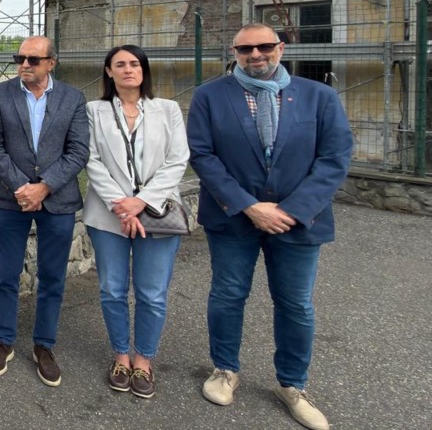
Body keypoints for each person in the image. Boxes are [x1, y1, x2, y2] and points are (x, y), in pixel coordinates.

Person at [189, 23, 352, 430]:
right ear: (235, 51)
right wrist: (248, 206)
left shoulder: (319, 96)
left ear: (280, 47)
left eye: (264, 46)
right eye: (246, 49)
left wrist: (291, 209)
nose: (255, 54)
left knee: (296, 304)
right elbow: (203, 155)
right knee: (228, 294)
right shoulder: (210, 95)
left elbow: (334, 158)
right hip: (234, 217)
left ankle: (292, 385)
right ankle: (225, 369)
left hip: (298, 222)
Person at [0, 35, 90, 386]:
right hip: (11, 200)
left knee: (52, 277)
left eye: (33, 59)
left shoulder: (73, 98)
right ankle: (4, 340)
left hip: (57, 202)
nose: (24, 64)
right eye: (20, 58)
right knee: (6, 275)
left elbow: (78, 151)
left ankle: (44, 346)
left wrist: (45, 187)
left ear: (51, 63)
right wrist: (23, 188)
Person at [83, 45, 189, 399]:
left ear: (144, 70)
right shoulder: (94, 111)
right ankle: (121, 356)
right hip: (108, 216)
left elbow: (177, 161)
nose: (129, 70)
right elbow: (92, 160)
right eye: (120, 64)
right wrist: (122, 206)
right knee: (112, 290)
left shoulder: (168, 110)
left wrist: (139, 203)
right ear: (109, 72)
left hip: (156, 215)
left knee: (152, 293)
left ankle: (144, 360)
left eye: (135, 64)